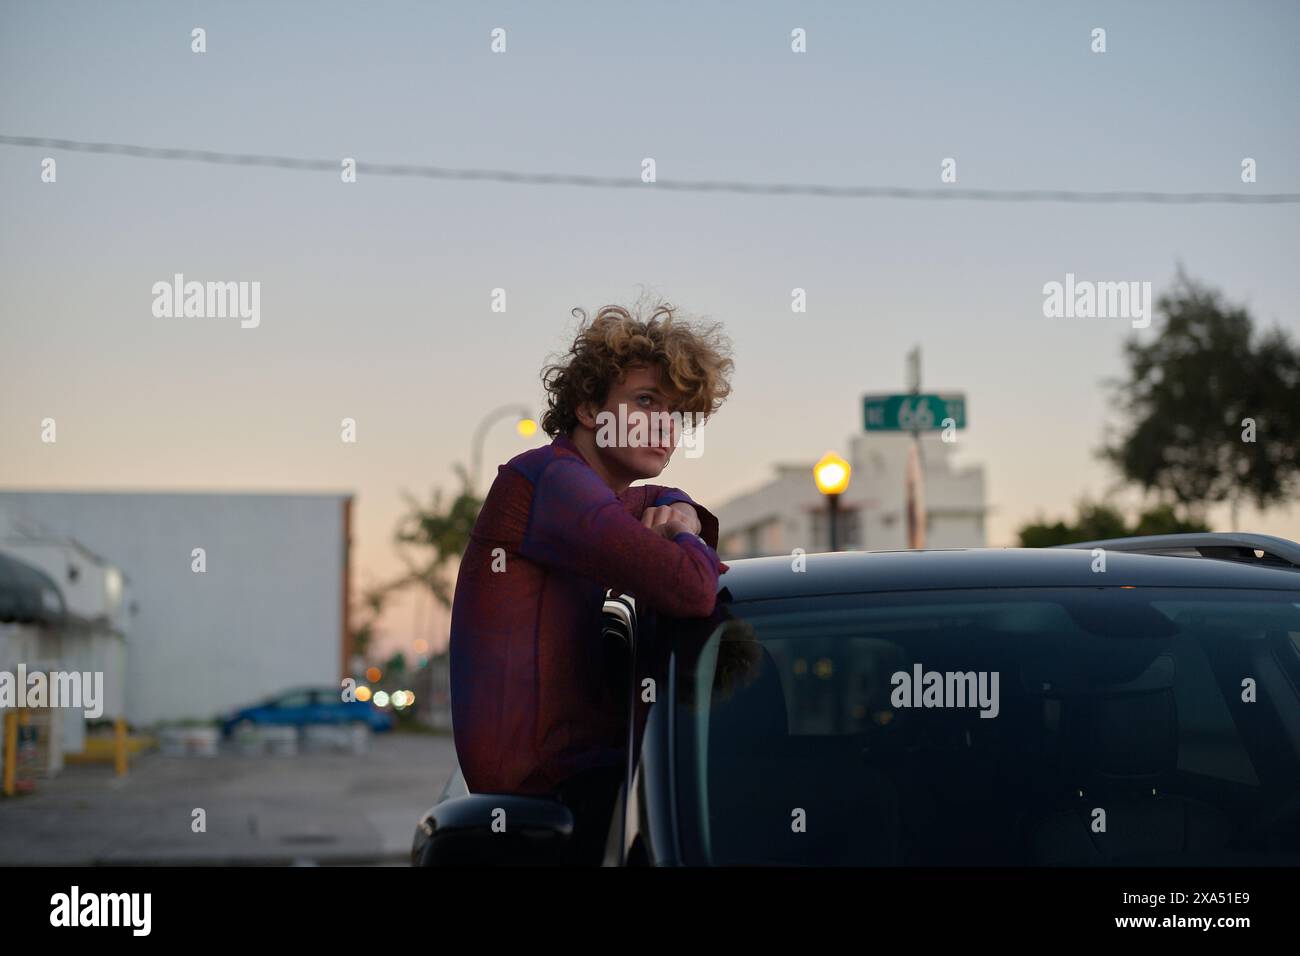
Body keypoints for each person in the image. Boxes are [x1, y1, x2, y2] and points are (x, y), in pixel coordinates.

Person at [449, 300, 733, 863]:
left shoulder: (606, 497)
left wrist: (682, 512)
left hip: (591, 792)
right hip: (539, 815)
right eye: (645, 401)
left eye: (675, 412)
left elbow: (666, 503)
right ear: (586, 407)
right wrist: (683, 531)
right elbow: (691, 588)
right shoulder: (546, 480)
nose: (664, 425)